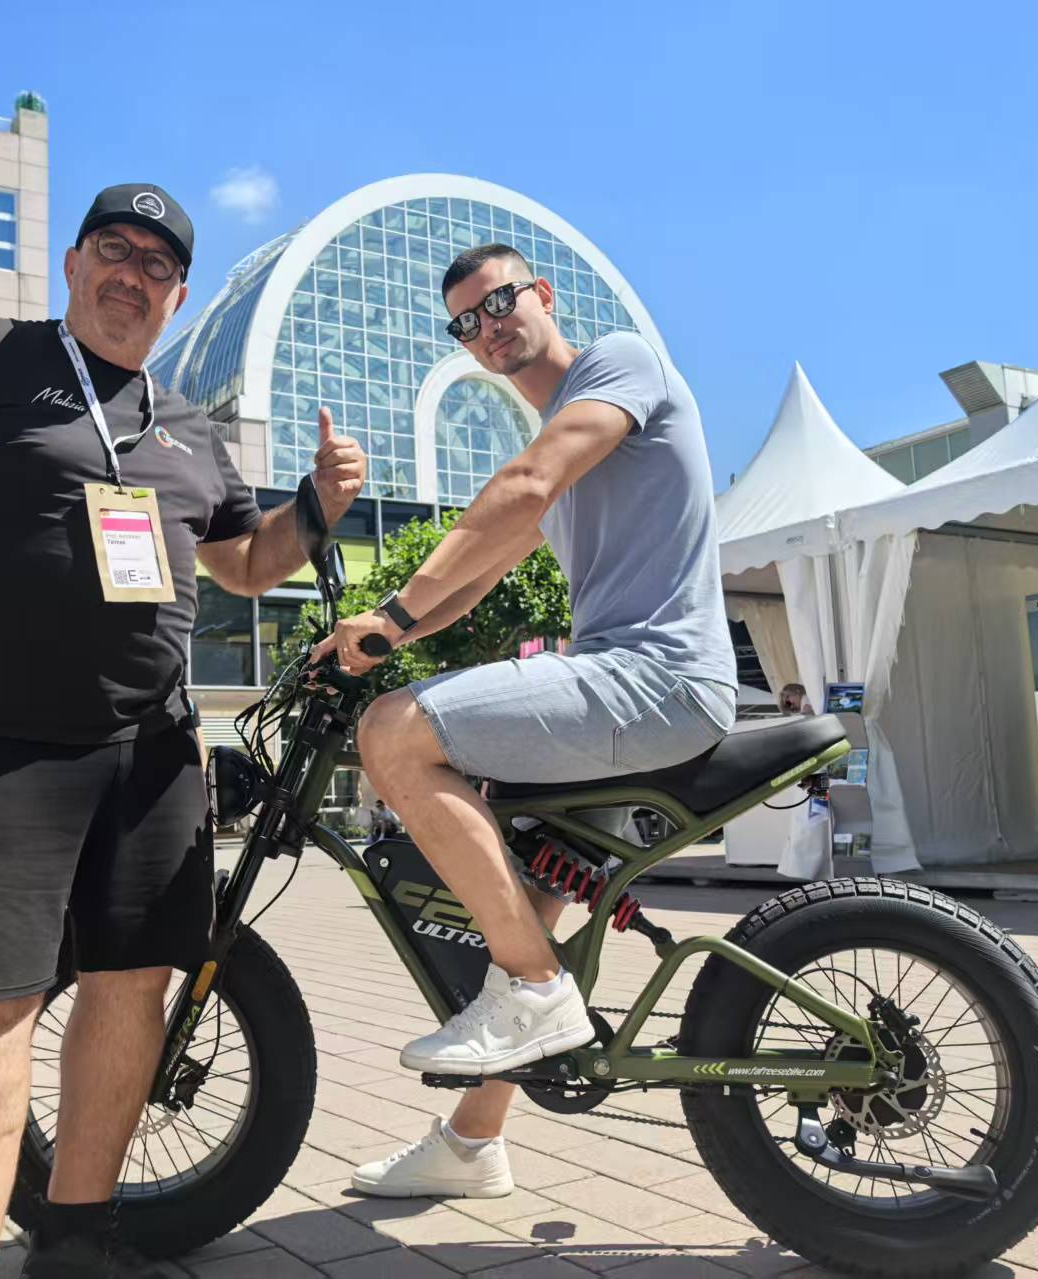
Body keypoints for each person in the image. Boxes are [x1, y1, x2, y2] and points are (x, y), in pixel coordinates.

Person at [0, 183, 364, 1279]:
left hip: (152, 755)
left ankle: (74, 1235)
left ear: (178, 296)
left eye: (156, 266)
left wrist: (314, 507)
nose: (132, 274)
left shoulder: (189, 428)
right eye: (114, 249)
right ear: (72, 262)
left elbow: (246, 565)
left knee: (132, 983)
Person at [315, 243, 735, 1198]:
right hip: (621, 684)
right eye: (465, 322)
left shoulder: (617, 364)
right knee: (531, 893)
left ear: (542, 296)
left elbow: (524, 489)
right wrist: (382, 632)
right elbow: (482, 571)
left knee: (394, 733)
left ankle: (536, 993)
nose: (487, 327)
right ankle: (471, 1146)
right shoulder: (567, 429)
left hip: (656, 677)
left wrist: (391, 620)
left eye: (499, 302)